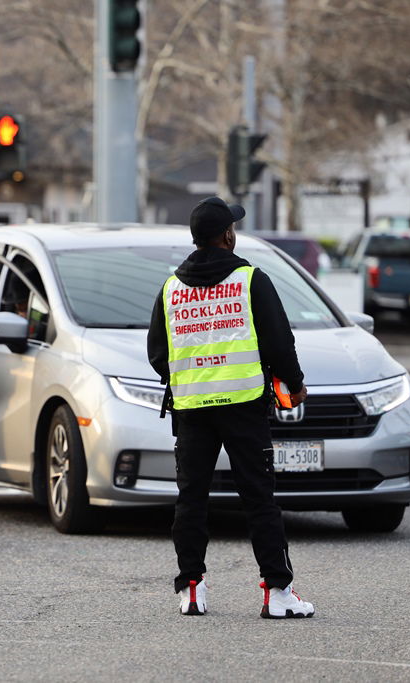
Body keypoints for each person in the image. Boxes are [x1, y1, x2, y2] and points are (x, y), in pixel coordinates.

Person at [147, 196, 315, 619]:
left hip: (191, 409)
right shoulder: (249, 279)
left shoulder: (171, 288)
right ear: (226, 236)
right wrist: (294, 385)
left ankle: (190, 589)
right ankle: (277, 592)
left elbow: (157, 353)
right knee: (259, 500)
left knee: (192, 499)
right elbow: (280, 341)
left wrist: (188, 376)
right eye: (232, 227)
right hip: (243, 406)